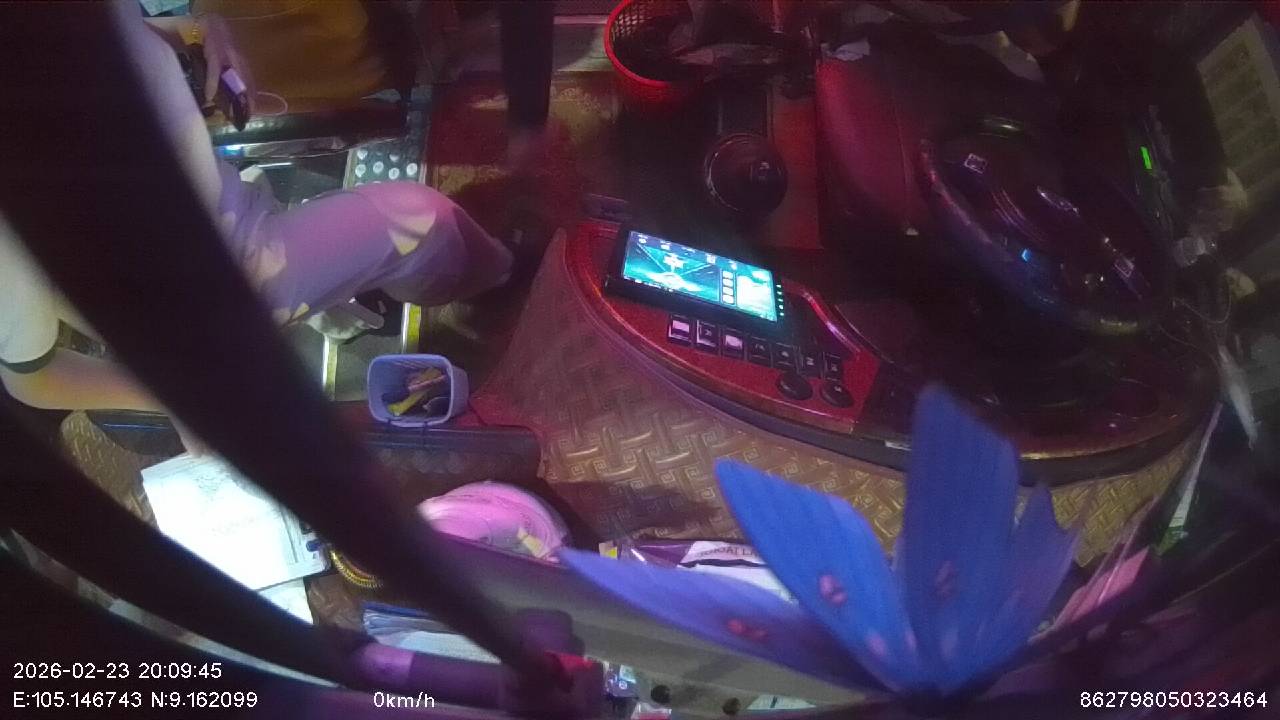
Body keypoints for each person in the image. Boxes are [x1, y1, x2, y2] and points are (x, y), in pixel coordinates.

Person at [0, 3, 513, 447]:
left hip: (211, 199)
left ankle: (351, 298)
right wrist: (184, 399)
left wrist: (191, 31)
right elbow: (32, 377)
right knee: (424, 221)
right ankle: (500, 276)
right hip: (215, 282)